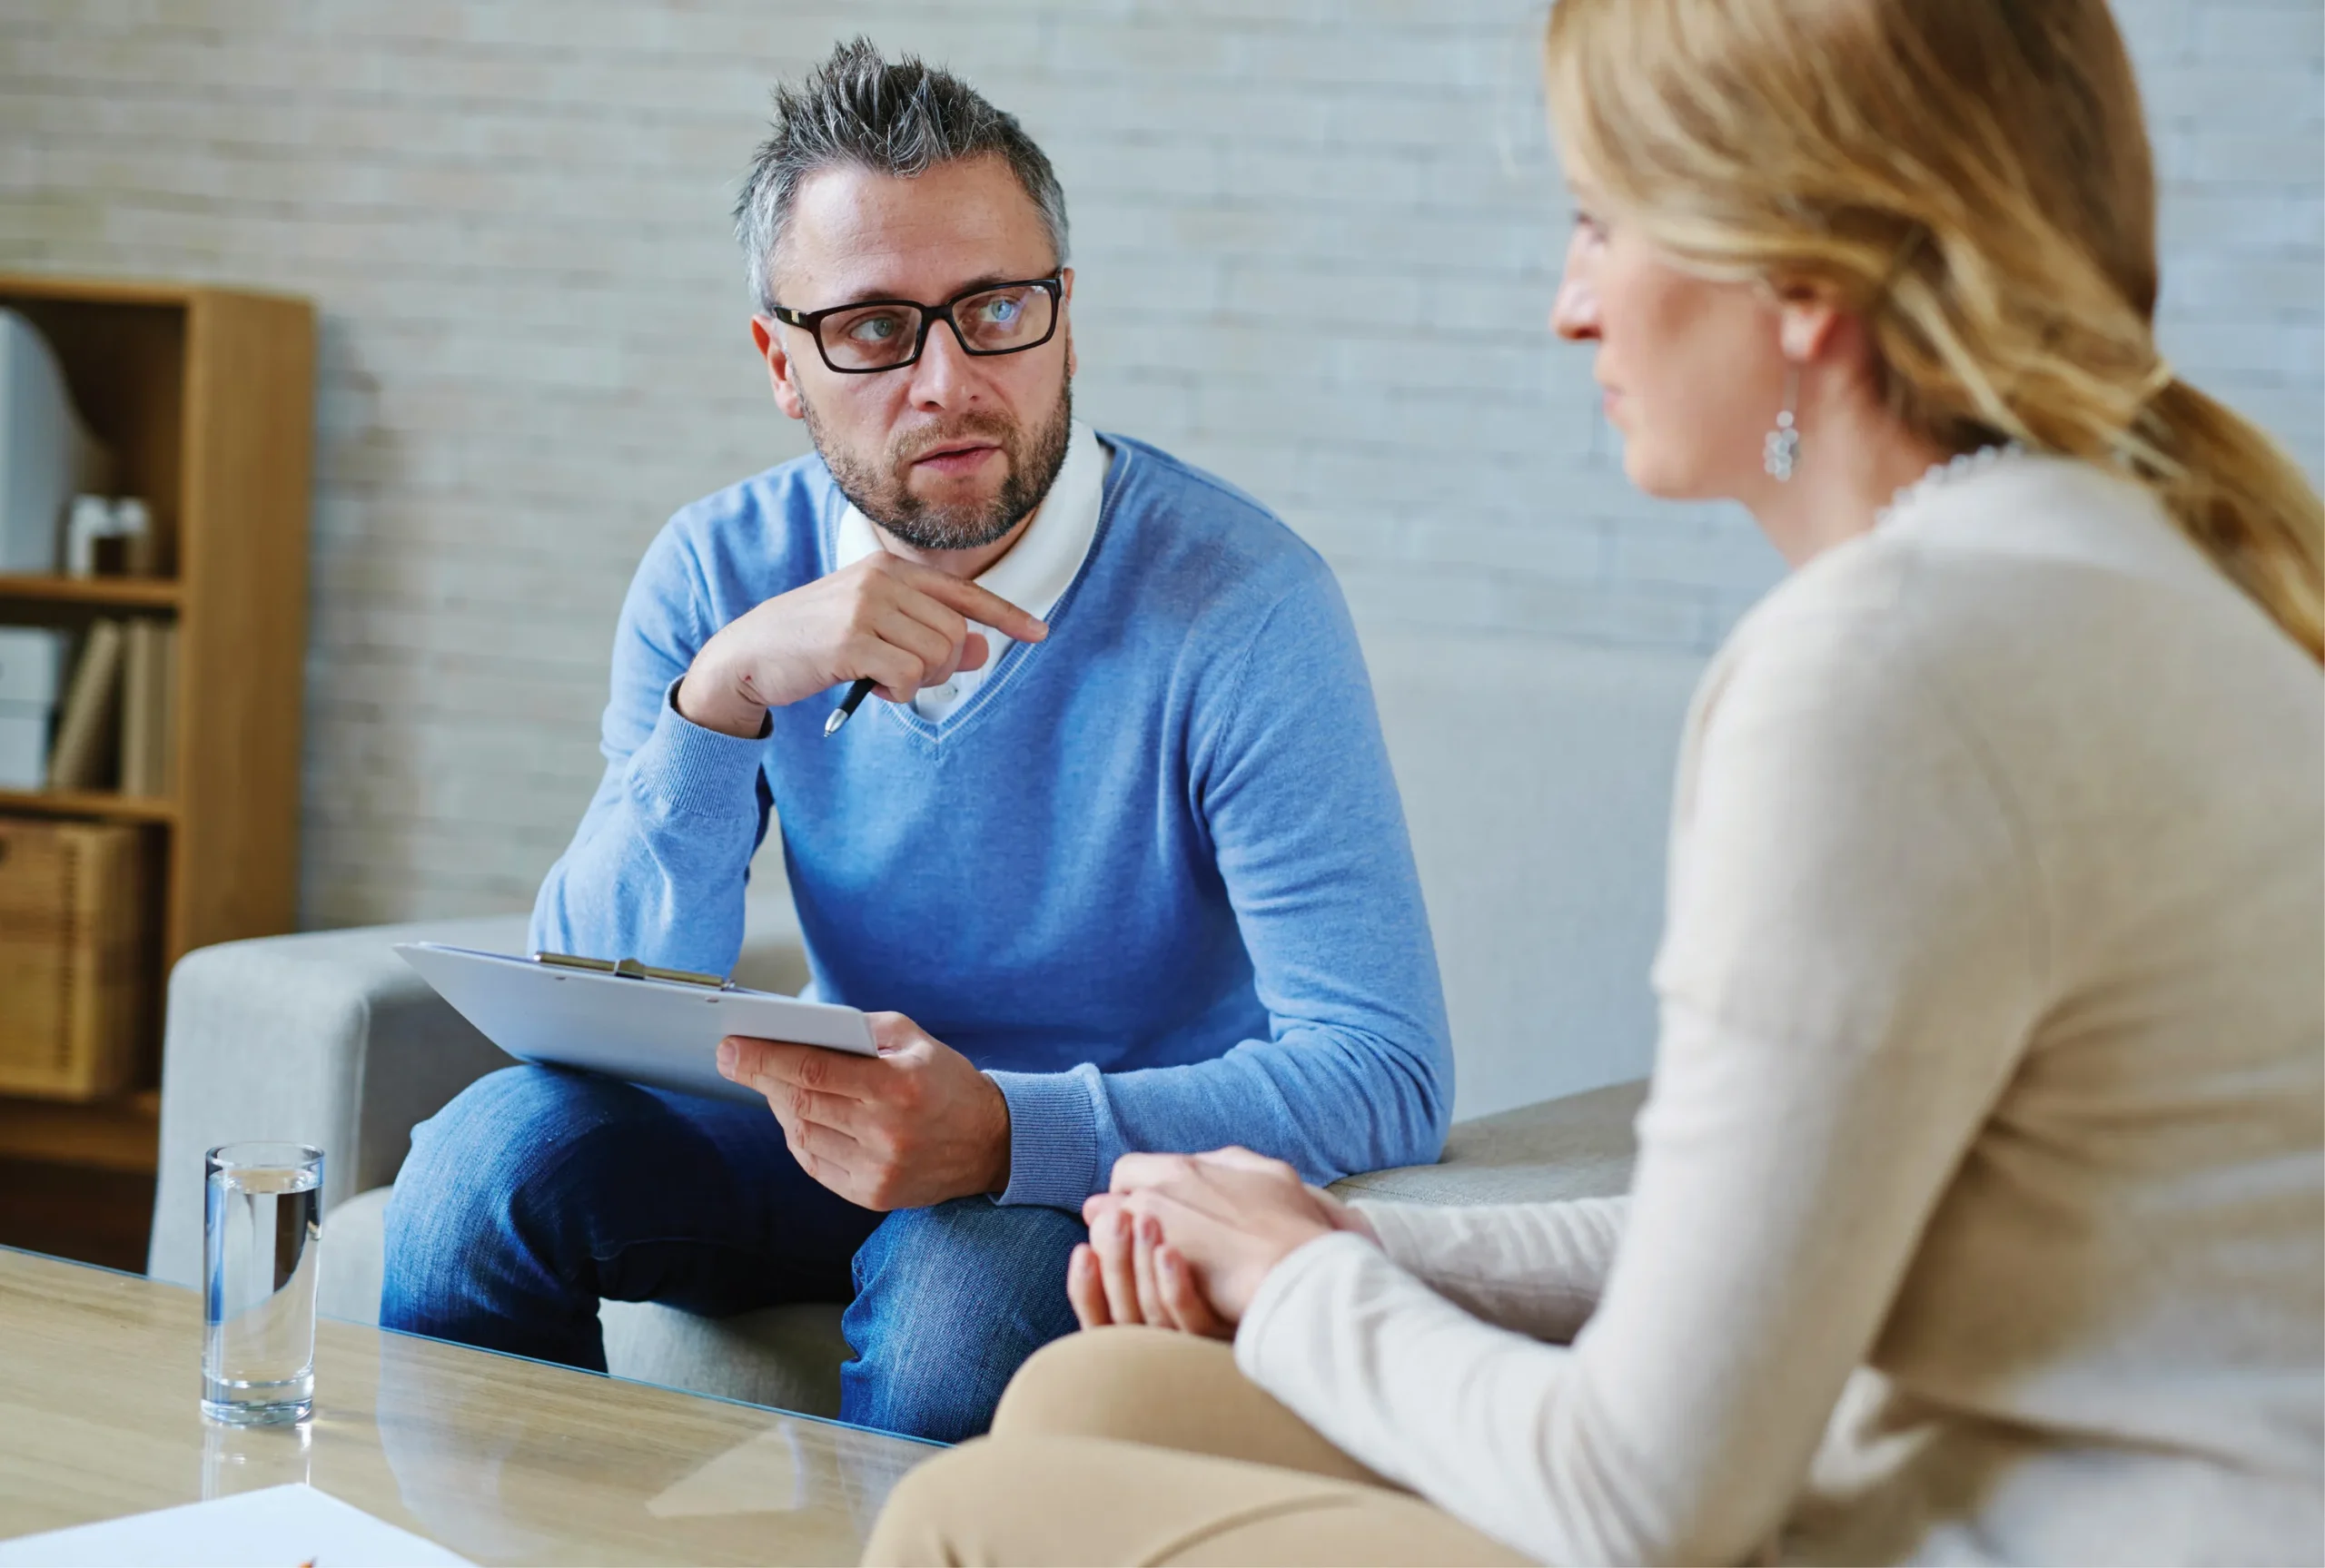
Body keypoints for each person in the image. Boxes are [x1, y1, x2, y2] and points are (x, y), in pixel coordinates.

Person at [864, 0, 2325, 1560]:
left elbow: (1644, 1502)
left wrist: (1299, 1285)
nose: (1571, 305)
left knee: (974, 1514)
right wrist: (1353, 1241)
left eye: (1600, 223)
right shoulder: (2132, 565)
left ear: (1801, 275)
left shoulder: (1883, 673)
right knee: (1101, 1394)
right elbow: (1760, 1229)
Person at [381, 39, 1451, 1444]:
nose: (948, 380)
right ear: (782, 362)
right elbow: (600, 996)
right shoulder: (717, 572)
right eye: (877, 329)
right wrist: (721, 699)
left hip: (1088, 1169)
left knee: (956, 1304)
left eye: (997, 309)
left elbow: (1385, 1067)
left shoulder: (1242, 606)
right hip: (821, 1136)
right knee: (477, 1170)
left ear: (1066, 319)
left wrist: (1005, 1129)